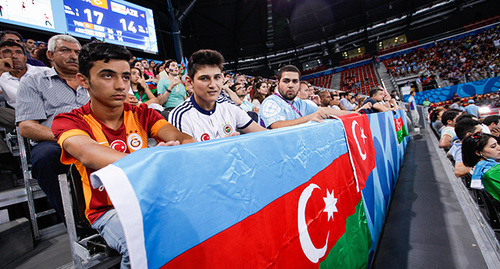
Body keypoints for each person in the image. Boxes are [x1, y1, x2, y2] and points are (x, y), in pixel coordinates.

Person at [52, 42, 196, 268]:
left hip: (151, 200)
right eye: (108, 76)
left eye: (126, 77)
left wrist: (186, 144)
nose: (121, 86)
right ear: (83, 81)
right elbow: (89, 153)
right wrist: (151, 158)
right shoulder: (69, 120)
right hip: (107, 209)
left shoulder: (142, 113)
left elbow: (181, 138)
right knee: (139, 243)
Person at [16, 34, 88, 219]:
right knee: (45, 156)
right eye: (65, 50)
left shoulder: (92, 81)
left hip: (95, 137)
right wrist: (67, 137)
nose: (73, 56)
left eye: (77, 52)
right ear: (50, 54)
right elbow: (27, 127)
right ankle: (76, 222)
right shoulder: (34, 81)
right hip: (55, 141)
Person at [169, 49, 266, 141]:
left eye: (217, 77)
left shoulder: (229, 106)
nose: (213, 85)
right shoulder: (180, 116)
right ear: (189, 82)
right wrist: (224, 147)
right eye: (204, 78)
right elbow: (188, 157)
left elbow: (264, 135)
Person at [259, 65, 349, 129]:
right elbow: (277, 126)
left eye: (295, 81)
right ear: (278, 84)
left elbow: (323, 110)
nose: (291, 85)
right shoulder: (270, 102)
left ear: (299, 84)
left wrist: (354, 113)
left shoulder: (300, 102)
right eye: (286, 81)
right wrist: (308, 118)